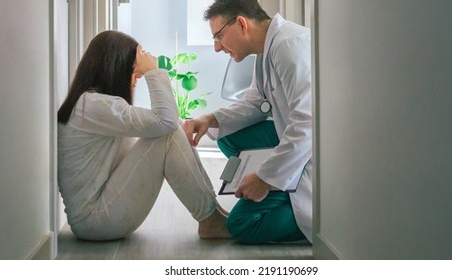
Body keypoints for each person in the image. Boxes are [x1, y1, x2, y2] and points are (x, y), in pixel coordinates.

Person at [57, 30, 230, 241]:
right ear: (115, 70)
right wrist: (153, 72)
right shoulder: (93, 106)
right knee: (169, 130)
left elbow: (164, 121)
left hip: (98, 213)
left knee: (172, 125)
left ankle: (214, 212)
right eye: (134, 73)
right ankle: (210, 219)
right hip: (94, 220)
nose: (136, 80)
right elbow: (164, 122)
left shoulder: (92, 104)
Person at [183, 0, 313, 244]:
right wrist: (208, 119)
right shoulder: (267, 50)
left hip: (315, 156)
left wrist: (264, 179)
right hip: (292, 140)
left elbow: (308, 125)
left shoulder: (289, 46)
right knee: (225, 134)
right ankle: (281, 184)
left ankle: (297, 202)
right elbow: (256, 102)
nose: (216, 48)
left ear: (241, 24)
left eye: (219, 36)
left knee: (240, 224)